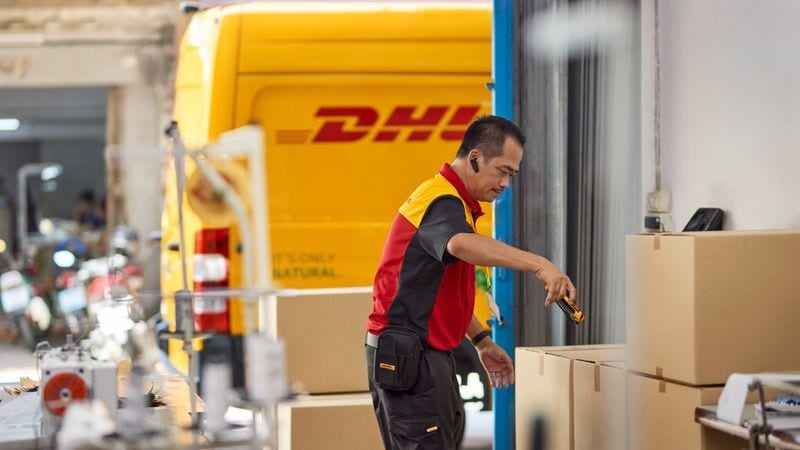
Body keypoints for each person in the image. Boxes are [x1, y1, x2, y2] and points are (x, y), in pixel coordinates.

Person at [365, 115, 577, 449]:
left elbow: (438, 294)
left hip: (420, 355)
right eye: (503, 171)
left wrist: (480, 341)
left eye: (512, 175)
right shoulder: (441, 201)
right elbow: (461, 244)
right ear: (475, 158)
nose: (506, 183)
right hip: (411, 356)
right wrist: (539, 266)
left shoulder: (454, 206)